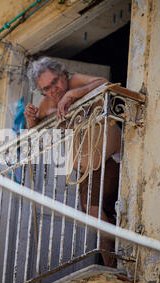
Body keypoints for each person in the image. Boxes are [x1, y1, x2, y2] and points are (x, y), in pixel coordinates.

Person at [24, 57, 121, 267]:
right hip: (88, 170)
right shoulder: (47, 102)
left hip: (110, 158)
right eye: (46, 88)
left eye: (55, 81)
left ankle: (123, 253)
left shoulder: (76, 81)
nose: (53, 90)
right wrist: (32, 119)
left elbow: (104, 82)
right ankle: (113, 266)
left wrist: (72, 94)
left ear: (63, 74)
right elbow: (36, 132)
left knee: (95, 212)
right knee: (93, 216)